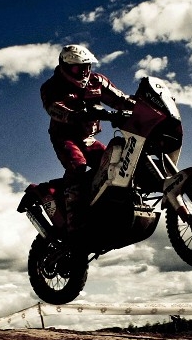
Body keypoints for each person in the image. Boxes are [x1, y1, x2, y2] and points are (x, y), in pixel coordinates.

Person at [40, 45, 135, 231]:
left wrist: (142, 105)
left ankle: (108, 206)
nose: (84, 71)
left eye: (87, 66)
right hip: (64, 137)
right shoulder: (52, 86)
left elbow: (120, 100)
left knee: (114, 162)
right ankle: (73, 220)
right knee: (78, 165)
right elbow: (54, 108)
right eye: (78, 67)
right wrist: (77, 114)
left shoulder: (96, 81)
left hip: (87, 138)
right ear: (66, 67)